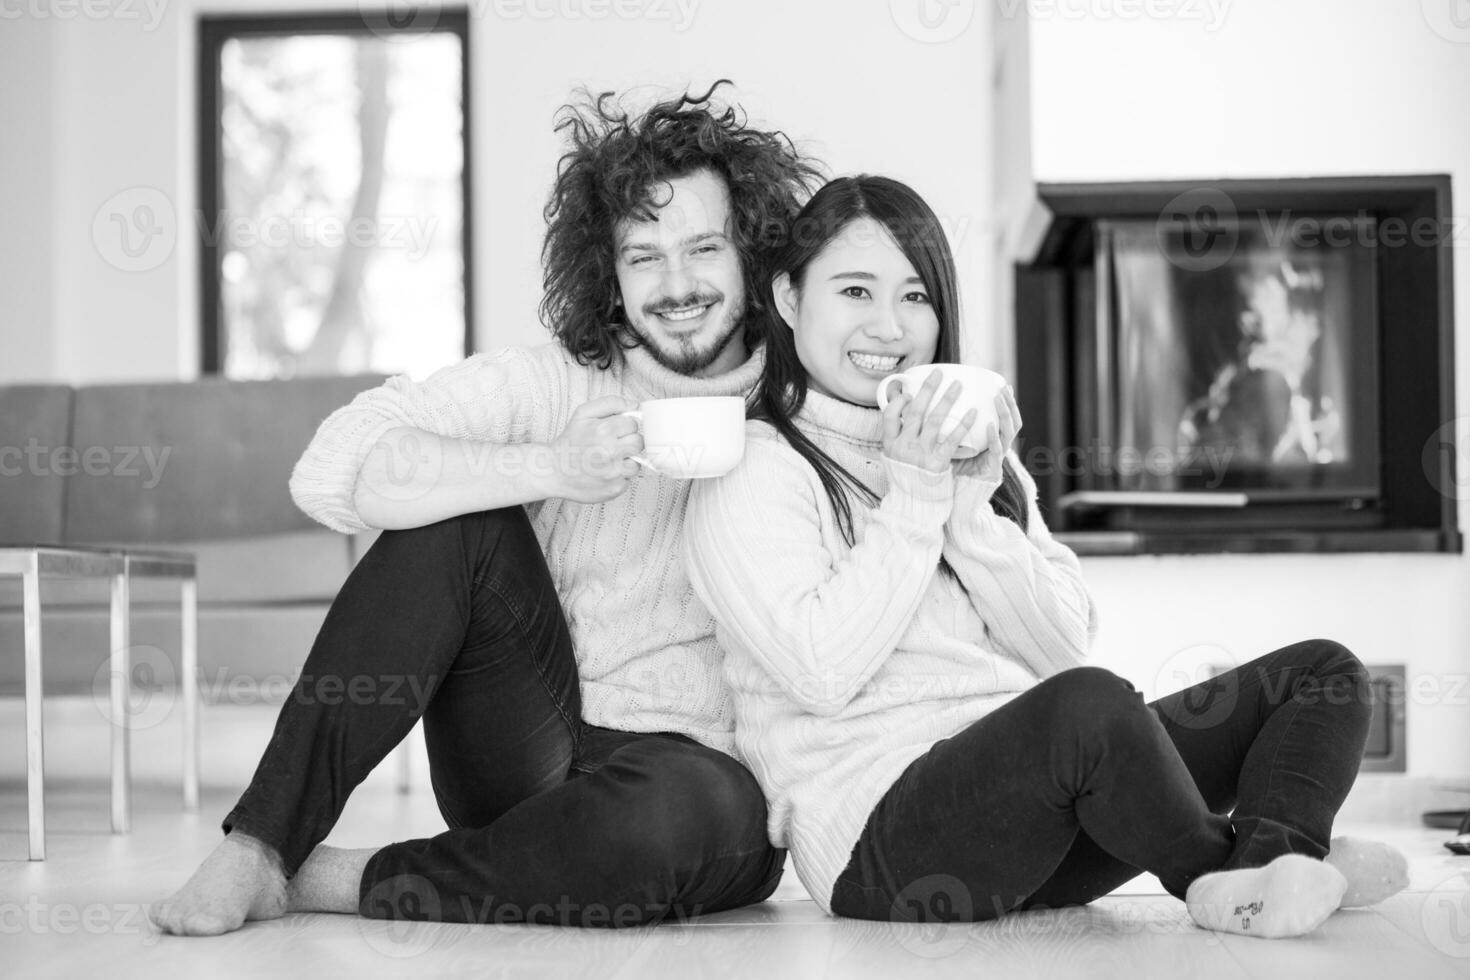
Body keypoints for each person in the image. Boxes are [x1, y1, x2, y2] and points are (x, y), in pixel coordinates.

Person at [153, 81, 822, 936]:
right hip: (524, 738)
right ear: (609, 277)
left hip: (689, 775)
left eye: (705, 249)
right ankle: (262, 845)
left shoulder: (801, 406)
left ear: (753, 256)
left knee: (679, 816)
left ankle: (344, 878)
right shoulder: (554, 381)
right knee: (458, 515)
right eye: (643, 256)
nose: (677, 283)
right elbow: (330, 469)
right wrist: (548, 466)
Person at [683, 175, 1409, 939]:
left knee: (1322, 673)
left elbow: (1062, 647)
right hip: (886, 846)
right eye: (855, 291)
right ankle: (1227, 872)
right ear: (791, 301)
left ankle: (1279, 857)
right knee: (1091, 707)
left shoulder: (966, 452)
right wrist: (918, 500)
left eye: (916, 296)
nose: (889, 327)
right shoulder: (754, 470)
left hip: (1043, 811)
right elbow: (822, 673)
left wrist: (970, 512)